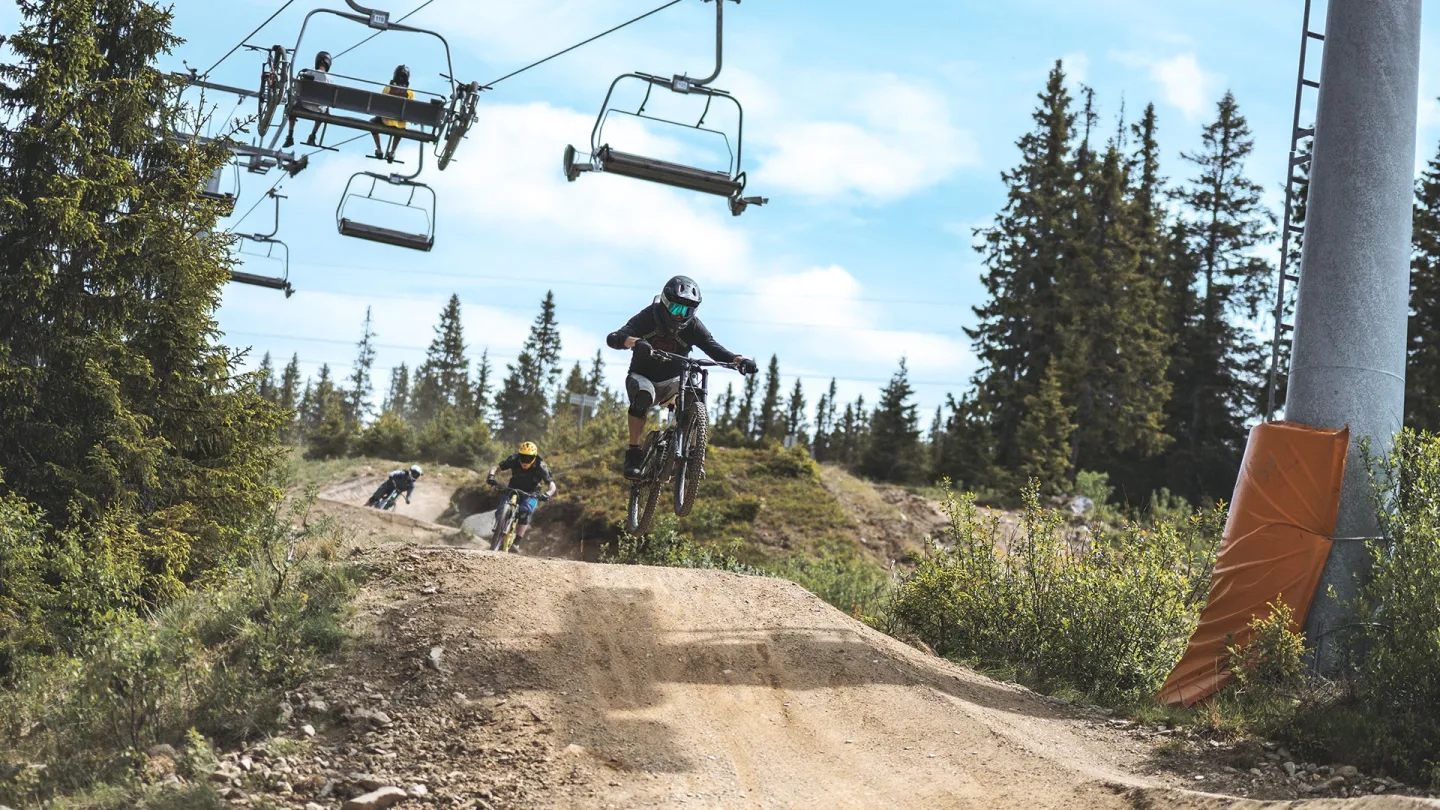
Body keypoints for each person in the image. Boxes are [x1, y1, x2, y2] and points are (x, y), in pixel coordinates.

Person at [606, 275, 758, 480]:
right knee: (642, 396)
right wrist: (636, 342)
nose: (680, 315)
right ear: (666, 303)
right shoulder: (649, 316)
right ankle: (633, 453)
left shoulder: (694, 326)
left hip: (674, 381)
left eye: (686, 310)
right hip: (643, 377)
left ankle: (691, 455)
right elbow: (615, 338)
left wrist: (739, 361)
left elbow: (714, 349)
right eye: (677, 309)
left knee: (694, 395)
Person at [486, 441, 557, 549]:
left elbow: (552, 485)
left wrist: (547, 494)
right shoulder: (514, 459)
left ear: (534, 457)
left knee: (524, 512)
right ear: (520, 455)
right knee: (500, 511)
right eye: (523, 457)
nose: (525, 460)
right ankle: (500, 531)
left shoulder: (541, 465)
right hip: (513, 488)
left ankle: (516, 543)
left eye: (528, 458)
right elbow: (496, 467)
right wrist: (491, 476)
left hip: (531, 492)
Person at [283, 50, 332, 149]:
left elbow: (297, 88)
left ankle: (290, 135)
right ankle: (313, 134)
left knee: (291, 107)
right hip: (319, 109)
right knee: (325, 110)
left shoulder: (309, 73)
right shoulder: (330, 79)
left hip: (304, 106)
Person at [371, 64, 413, 162]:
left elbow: (382, 103)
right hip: (400, 123)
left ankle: (379, 149)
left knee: (372, 123)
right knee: (401, 127)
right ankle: (392, 151)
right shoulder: (410, 93)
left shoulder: (388, 88)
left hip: (387, 120)